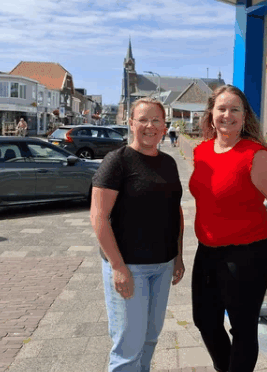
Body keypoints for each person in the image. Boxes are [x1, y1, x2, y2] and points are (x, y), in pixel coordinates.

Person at [189, 85, 267, 372]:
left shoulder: (256, 156)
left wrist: (254, 234)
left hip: (248, 254)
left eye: (235, 109)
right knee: (205, 320)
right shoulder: (201, 152)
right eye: (221, 108)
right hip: (207, 250)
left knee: (242, 326)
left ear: (245, 116)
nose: (227, 115)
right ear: (211, 114)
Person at [90, 98, 186, 372]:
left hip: (163, 266)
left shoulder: (168, 163)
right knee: (128, 347)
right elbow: (98, 216)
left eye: (156, 120)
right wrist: (117, 267)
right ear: (131, 123)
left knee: (149, 339)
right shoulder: (117, 161)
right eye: (143, 119)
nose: (150, 126)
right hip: (130, 267)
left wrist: (178, 256)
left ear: (164, 127)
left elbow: (175, 212)